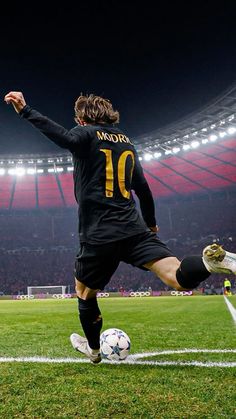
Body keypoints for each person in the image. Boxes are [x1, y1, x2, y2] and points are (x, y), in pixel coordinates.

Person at [4, 91, 236, 364]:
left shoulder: (86, 133)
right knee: (175, 276)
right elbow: (144, 189)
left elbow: (64, 138)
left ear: (82, 117)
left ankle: (92, 350)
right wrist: (150, 224)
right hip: (134, 228)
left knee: (84, 292)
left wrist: (25, 110)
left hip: (99, 233)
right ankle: (211, 264)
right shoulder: (126, 142)